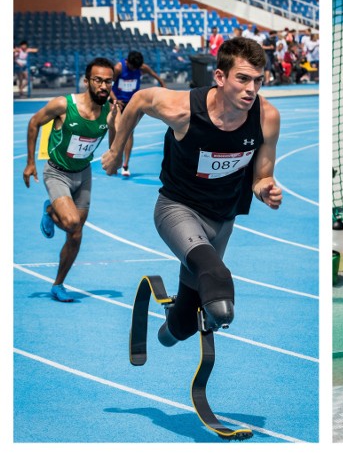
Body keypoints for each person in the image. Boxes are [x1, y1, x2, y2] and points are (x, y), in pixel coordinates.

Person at [101, 37, 282, 351]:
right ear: (220, 77)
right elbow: (141, 99)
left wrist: (264, 187)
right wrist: (116, 151)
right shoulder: (183, 109)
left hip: (223, 219)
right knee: (216, 277)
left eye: (258, 81)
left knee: (185, 322)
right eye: (242, 78)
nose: (251, 89)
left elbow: (262, 175)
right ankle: (206, 303)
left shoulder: (267, 117)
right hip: (178, 209)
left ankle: (169, 328)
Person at [23, 57, 116, 302]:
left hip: (84, 174)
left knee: (75, 233)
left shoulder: (109, 109)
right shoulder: (64, 105)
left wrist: (116, 123)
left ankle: (58, 284)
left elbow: (114, 138)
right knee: (72, 222)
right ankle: (50, 209)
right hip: (57, 172)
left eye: (108, 81)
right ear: (87, 81)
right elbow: (34, 122)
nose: (103, 86)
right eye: (98, 80)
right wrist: (31, 162)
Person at [109, 51, 166, 177]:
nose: (134, 70)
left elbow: (157, 77)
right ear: (127, 62)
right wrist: (115, 100)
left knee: (129, 132)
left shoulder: (142, 67)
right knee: (115, 129)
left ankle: (125, 164)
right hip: (117, 102)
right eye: (132, 67)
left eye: (136, 68)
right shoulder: (118, 68)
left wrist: (162, 86)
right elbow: (108, 85)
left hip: (132, 103)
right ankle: (112, 159)